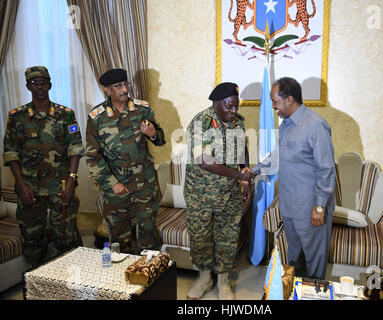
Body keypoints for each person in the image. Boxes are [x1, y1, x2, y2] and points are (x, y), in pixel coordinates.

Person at [242, 77, 335, 279]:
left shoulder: (316, 125)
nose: (274, 107)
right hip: (289, 207)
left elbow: (326, 169)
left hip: (311, 210)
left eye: (276, 102)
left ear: (290, 99)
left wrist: (320, 206)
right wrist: (254, 170)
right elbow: (276, 158)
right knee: (294, 262)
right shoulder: (285, 126)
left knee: (314, 264)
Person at [3, 66, 84, 268]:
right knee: (32, 240)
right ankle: (36, 282)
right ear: (28, 86)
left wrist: (72, 180)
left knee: (66, 238)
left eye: (43, 82)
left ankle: (68, 283)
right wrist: (20, 185)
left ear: (49, 85)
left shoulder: (65, 114)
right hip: (30, 188)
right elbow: (11, 152)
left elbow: (75, 147)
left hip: (61, 186)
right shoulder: (17, 117)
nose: (39, 87)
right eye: (34, 82)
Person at [85, 68, 166, 254]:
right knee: (119, 235)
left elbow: (160, 139)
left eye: (125, 84)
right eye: (118, 86)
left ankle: (150, 272)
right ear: (107, 90)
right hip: (116, 185)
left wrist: (153, 134)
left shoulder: (142, 109)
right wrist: (112, 184)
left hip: (144, 182)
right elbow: (93, 156)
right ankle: (122, 277)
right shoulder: (97, 117)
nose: (124, 89)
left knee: (148, 230)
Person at [184, 82, 251, 300]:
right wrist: (238, 176)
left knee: (227, 238)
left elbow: (243, 150)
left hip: (229, 195)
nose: (234, 111)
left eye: (236, 107)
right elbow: (204, 161)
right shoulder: (200, 123)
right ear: (216, 103)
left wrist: (246, 177)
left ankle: (223, 281)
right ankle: (204, 278)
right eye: (229, 107)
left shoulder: (238, 123)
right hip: (200, 195)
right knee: (200, 237)